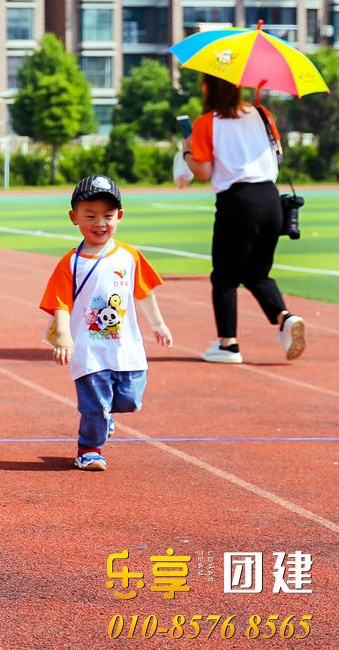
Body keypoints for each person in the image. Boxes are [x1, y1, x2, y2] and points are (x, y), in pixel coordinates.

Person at [40, 175, 173, 472]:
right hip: (89, 350)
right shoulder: (71, 262)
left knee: (130, 399)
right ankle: (89, 448)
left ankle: (104, 417)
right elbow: (59, 301)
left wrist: (158, 324)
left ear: (120, 217)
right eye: (90, 216)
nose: (100, 223)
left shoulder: (129, 256)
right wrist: (63, 335)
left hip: (126, 347)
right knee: (94, 406)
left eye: (108, 216)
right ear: (74, 218)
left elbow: (144, 293)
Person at [183, 74, 306, 364]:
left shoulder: (205, 123)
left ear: (208, 87)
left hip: (238, 201)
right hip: (270, 200)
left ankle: (228, 345)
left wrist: (187, 148)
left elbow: (202, 173)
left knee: (225, 277)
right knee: (256, 274)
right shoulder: (263, 113)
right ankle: (285, 317)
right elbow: (277, 156)